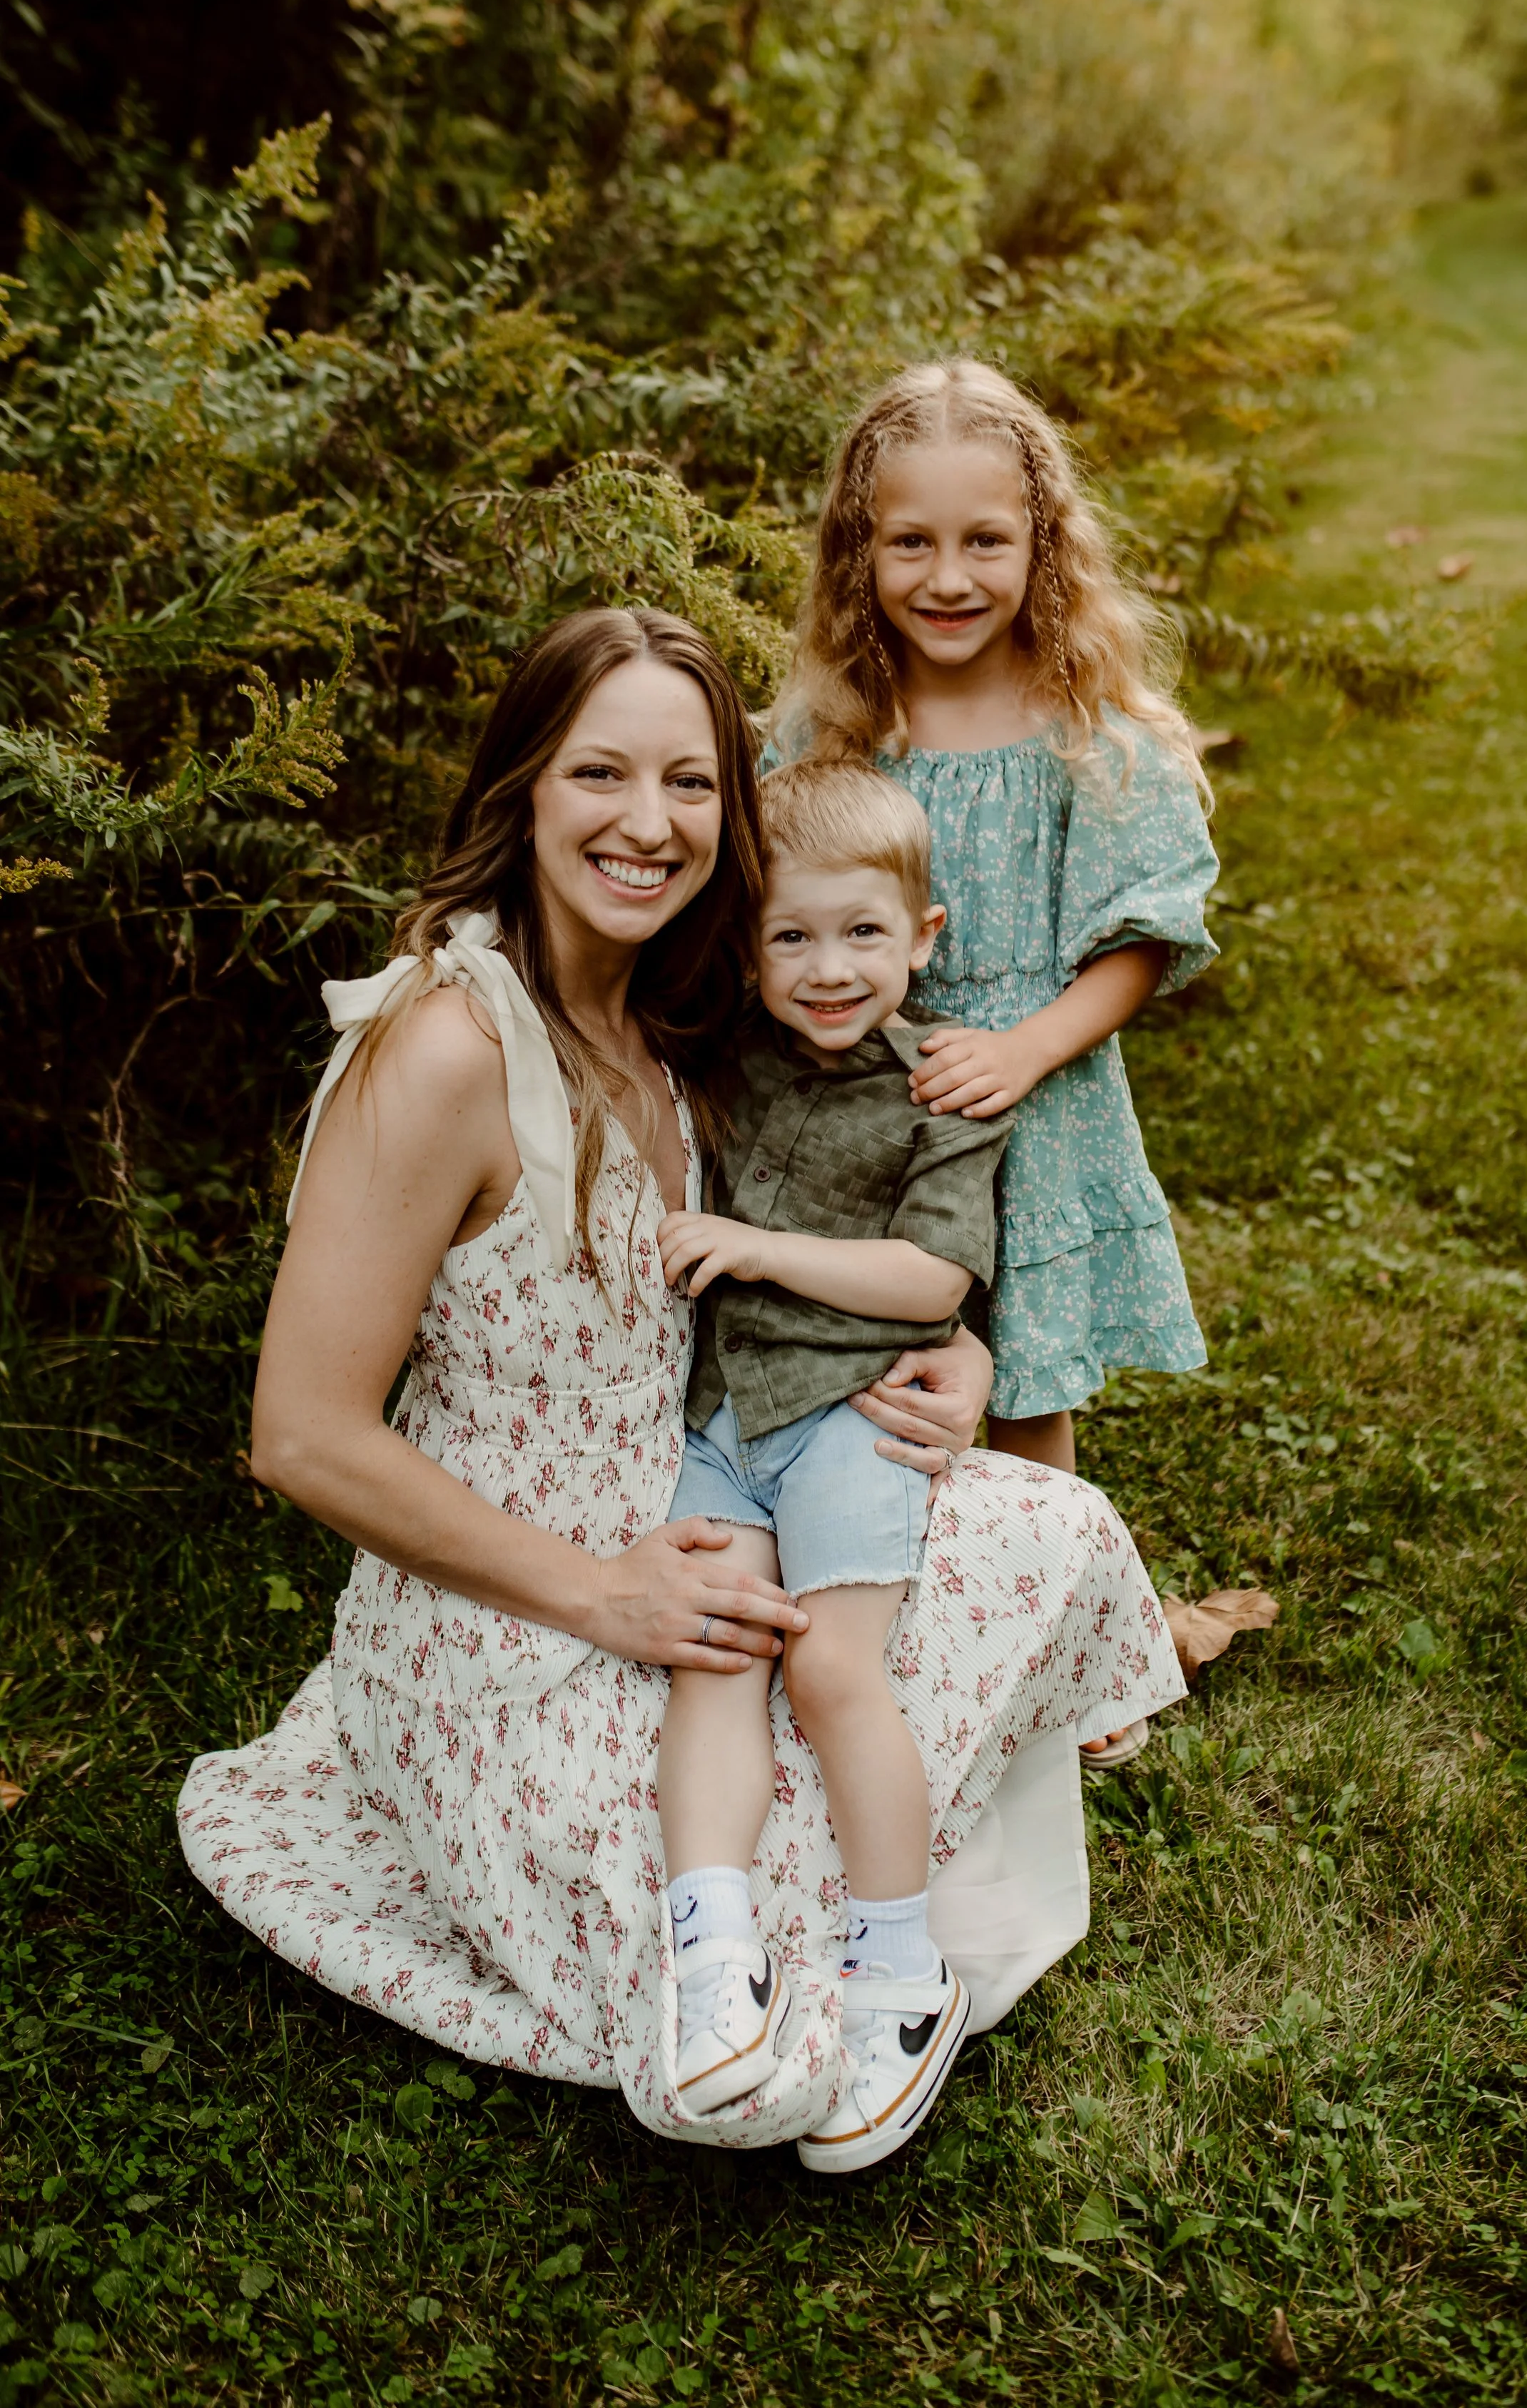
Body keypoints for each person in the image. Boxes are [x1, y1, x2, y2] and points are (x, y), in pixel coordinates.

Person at [176, 604, 1186, 2155]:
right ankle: (776, 1947)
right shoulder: (445, 1051)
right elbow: (300, 1437)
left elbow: (862, 1207)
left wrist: (954, 1346)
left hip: (729, 1483)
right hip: (518, 1600)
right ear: (521, 785)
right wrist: (598, 1598)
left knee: (1044, 1529)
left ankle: (888, 1964)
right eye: (599, 774)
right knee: (738, 2041)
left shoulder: (687, 1010)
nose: (648, 826)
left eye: (691, 784)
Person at [770, 359, 1221, 1769]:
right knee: (888, 1381)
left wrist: (1023, 1048)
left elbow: (1143, 935)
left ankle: (1085, 1669)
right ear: (861, 551)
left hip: (1035, 1098)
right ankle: (902, 1626)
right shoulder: (840, 723)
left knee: (1023, 1399)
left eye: (985, 540)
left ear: (1041, 546)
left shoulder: (1084, 725)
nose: (947, 575)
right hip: (867, 1098)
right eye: (909, 541)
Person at [654, 759, 1014, 2168]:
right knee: (712, 1650)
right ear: (744, 938)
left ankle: (898, 1971)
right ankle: (712, 1952)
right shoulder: (712, 1058)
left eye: (862, 933)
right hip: (722, 1428)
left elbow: (931, 1280)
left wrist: (753, 1249)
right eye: (789, 934)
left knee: (830, 1667)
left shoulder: (941, 1090)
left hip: (850, 1416)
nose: (824, 968)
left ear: (921, 937)